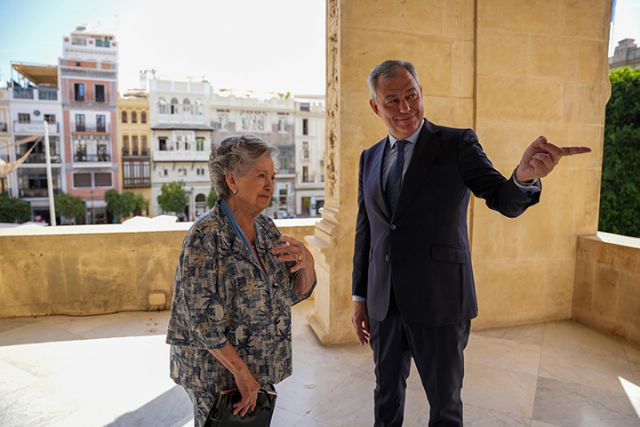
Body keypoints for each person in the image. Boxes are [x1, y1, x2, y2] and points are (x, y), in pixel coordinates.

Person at [351, 60, 590, 426]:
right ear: (375, 107)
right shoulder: (369, 158)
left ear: (421, 92)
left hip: (441, 301)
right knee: (385, 397)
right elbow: (366, 230)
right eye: (392, 101)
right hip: (385, 304)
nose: (405, 109)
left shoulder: (456, 143)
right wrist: (360, 297)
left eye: (412, 96)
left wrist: (524, 177)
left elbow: (500, 197)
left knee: (445, 405)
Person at [166, 135, 316, 427]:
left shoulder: (266, 227)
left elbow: (290, 294)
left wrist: (307, 264)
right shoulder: (205, 235)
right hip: (215, 374)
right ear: (231, 180)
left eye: (272, 176)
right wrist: (242, 374)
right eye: (260, 175)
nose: (270, 185)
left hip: (258, 368)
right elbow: (201, 319)